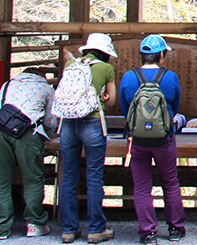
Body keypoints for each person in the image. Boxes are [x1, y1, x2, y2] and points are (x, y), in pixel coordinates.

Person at [118, 35, 187, 245]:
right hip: (164, 139)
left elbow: (125, 110)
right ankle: (176, 228)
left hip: (138, 140)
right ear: (162, 55)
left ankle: (147, 232)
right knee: (170, 182)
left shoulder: (128, 77)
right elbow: (174, 107)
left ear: (142, 55)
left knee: (141, 186)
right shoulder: (170, 77)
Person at [0, 67, 58, 240]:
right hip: (26, 132)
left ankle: (0, 229)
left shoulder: (8, 84)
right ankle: (34, 224)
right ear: (42, 77)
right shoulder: (46, 88)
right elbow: (50, 120)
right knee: (32, 179)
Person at [59, 33, 118, 244]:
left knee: (68, 177)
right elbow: (111, 101)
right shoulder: (105, 68)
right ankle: (96, 229)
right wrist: (102, 96)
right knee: (94, 177)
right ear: (105, 52)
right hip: (92, 123)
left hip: (67, 124)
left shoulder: (71, 67)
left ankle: (68, 230)